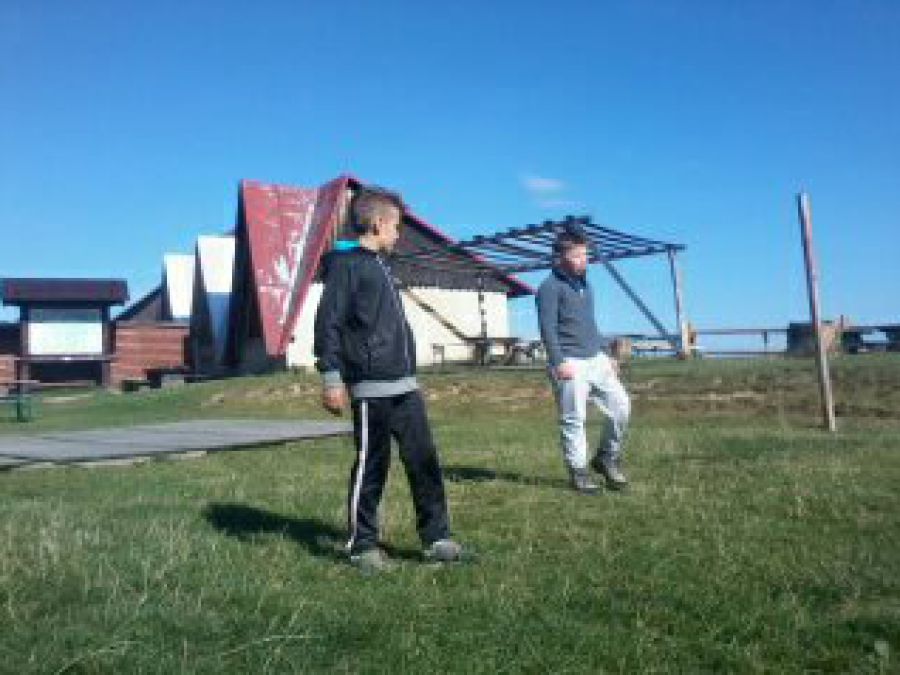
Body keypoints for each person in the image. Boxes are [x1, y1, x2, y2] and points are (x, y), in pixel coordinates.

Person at [313, 185, 464, 573]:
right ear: (379, 224)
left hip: (405, 386)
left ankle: (436, 538)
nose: (399, 234)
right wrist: (331, 378)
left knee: (424, 462)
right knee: (372, 466)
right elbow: (328, 323)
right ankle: (362, 546)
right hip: (371, 389)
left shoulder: (382, 266)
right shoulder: (346, 265)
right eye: (396, 226)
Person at [535, 226, 631, 494]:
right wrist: (558, 361)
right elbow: (547, 329)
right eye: (577, 255)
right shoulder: (548, 288)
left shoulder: (585, 285)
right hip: (569, 361)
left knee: (622, 406)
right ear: (560, 257)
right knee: (574, 419)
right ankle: (578, 473)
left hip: (596, 358)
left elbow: (589, 324)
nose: (584, 260)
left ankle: (606, 457)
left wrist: (607, 353)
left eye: (585, 255)